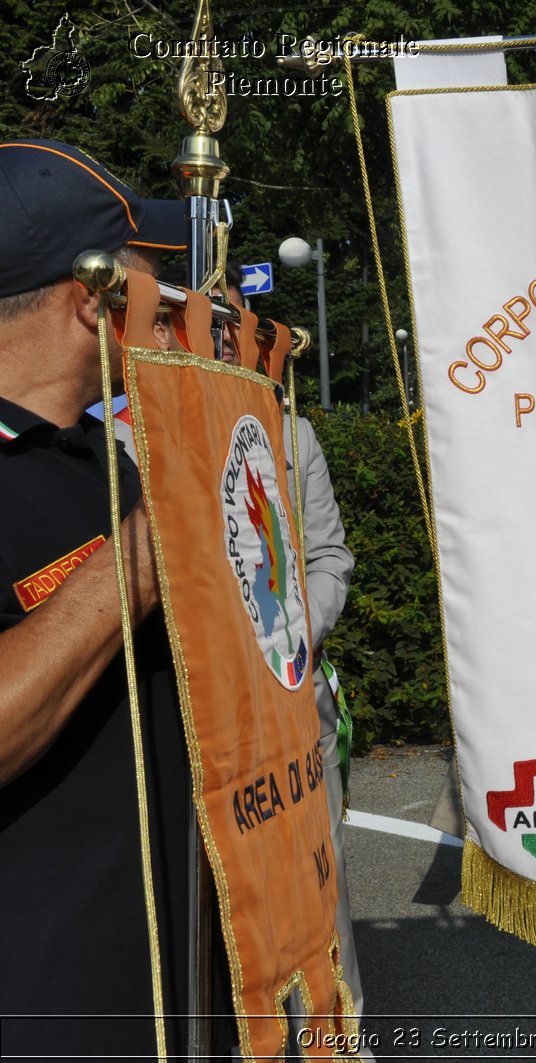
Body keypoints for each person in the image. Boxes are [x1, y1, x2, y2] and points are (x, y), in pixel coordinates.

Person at [0, 139, 216, 1056]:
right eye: (144, 273)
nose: (166, 298)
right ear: (89, 296)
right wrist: (142, 554)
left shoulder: (103, 458)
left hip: (170, 998)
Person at [218, 268, 370, 1047]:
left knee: (321, 891)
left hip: (293, 705)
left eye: (235, 323)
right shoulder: (120, 436)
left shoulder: (291, 430)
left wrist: (294, 637)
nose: (224, 339)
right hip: (202, 721)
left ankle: (340, 1038)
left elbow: (330, 558)